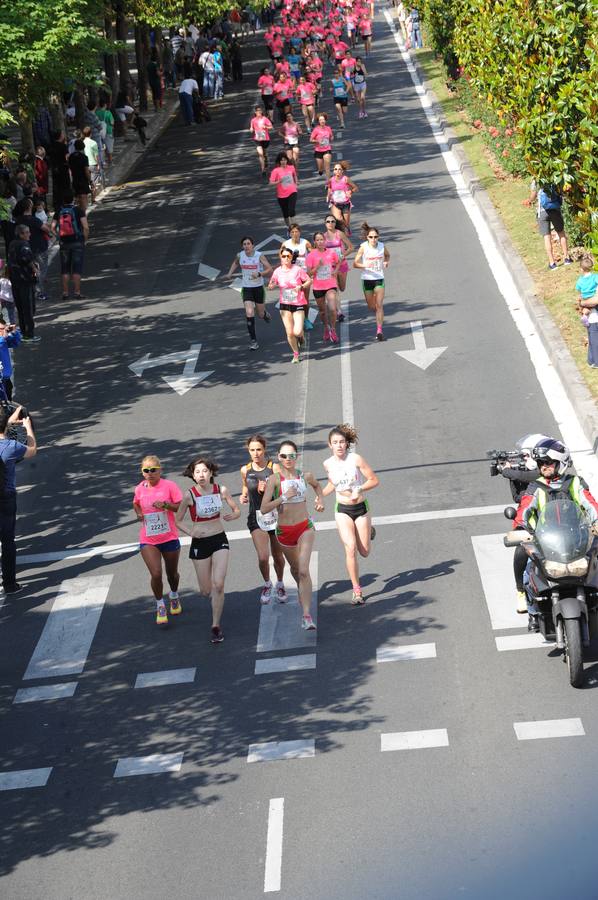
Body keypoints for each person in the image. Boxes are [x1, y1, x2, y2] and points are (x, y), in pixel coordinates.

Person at [514, 438, 598, 628]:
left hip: (577, 538)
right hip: (545, 540)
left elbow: (590, 504)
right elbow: (524, 508)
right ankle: (528, 602)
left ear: (561, 463)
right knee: (523, 557)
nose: (544, 466)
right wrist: (520, 527)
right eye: (541, 463)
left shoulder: (574, 482)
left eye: (549, 462)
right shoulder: (535, 487)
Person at [260, 440, 324, 630]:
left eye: (292, 455)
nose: (288, 459)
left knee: (303, 570)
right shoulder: (274, 480)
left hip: (305, 527)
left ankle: (306, 616)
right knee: (296, 570)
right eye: (284, 456)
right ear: (278, 457)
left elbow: (317, 486)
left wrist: (320, 499)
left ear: (297, 457)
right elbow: (264, 508)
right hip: (284, 531)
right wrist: (283, 497)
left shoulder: (305, 476)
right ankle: (303, 589)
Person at [175, 456, 240, 643]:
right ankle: (215, 598)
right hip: (200, 543)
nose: (201, 475)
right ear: (193, 476)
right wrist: (191, 532)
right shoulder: (189, 495)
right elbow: (178, 520)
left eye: (204, 471)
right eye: (197, 472)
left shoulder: (221, 490)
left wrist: (234, 514)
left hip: (219, 539)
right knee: (205, 590)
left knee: (218, 584)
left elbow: (236, 509)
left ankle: (215, 626)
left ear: (211, 473)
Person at [323, 424, 379, 604]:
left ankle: (368, 531)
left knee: (364, 551)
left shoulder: (356, 459)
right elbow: (332, 483)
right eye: (335, 442)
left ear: (347, 443)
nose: (339, 445)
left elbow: (374, 480)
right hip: (342, 509)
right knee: (350, 548)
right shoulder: (328, 464)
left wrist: (359, 489)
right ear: (330, 445)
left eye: (342, 442)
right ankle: (357, 590)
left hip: (360, 508)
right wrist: (320, 496)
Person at [133, 455, 182, 627]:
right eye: (146, 470)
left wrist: (166, 505)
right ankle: (160, 605)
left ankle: (174, 595)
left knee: (172, 574)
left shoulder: (170, 486)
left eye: (153, 470)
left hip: (169, 537)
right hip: (148, 539)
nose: (150, 473)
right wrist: (139, 513)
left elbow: (181, 507)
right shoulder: (140, 488)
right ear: (142, 472)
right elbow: (136, 503)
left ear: (160, 470)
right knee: (156, 573)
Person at [240, 434, 287, 604]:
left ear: (264, 449)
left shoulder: (274, 468)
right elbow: (245, 485)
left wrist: (269, 489)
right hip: (256, 517)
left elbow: (283, 491)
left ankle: (280, 583)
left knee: (278, 555)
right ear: (248, 451)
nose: (256, 453)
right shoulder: (245, 470)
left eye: (259, 449)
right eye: (252, 450)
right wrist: (244, 496)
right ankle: (267, 584)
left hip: (275, 516)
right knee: (263, 557)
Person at [0, 405, 36, 594]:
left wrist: (9, 420)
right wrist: (28, 427)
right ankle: (10, 584)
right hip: (6, 497)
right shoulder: (12, 447)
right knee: (7, 540)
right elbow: (32, 450)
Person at [225, 236, 273, 350]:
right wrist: (230, 273)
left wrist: (260, 274)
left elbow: (269, 269)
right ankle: (253, 341)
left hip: (258, 288)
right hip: (246, 288)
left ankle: (264, 314)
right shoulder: (240, 255)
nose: (246, 246)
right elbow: (235, 263)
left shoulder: (259, 255)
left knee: (260, 314)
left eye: (248, 244)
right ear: (242, 246)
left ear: (253, 245)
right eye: (244, 244)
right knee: (249, 312)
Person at [268, 246, 312, 363]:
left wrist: (301, 286)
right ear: (281, 257)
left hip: (298, 303)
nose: (286, 258)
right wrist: (271, 285)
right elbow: (271, 284)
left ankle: (301, 337)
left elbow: (309, 281)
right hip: (284, 305)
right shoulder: (277, 271)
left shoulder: (297, 270)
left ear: (292, 257)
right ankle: (296, 354)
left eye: (288, 256)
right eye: (284, 256)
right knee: (290, 333)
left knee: (297, 331)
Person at [354, 223, 390, 341]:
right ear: (367, 237)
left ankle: (379, 331)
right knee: (371, 306)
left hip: (379, 278)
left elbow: (387, 255)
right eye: (371, 237)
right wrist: (365, 265)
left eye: (375, 237)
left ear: (378, 237)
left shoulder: (382, 246)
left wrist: (386, 262)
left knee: (379, 305)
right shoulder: (363, 247)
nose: (373, 239)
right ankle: (378, 312)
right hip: (367, 279)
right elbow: (355, 263)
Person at [52, 189, 89, 301]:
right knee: (77, 269)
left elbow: (52, 227)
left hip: (64, 243)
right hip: (77, 242)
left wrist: (59, 237)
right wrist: (84, 240)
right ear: (73, 198)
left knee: (65, 269)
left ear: (63, 200)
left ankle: (65, 293)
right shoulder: (78, 210)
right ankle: (77, 292)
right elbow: (86, 227)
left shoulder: (59, 211)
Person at [306, 231, 341, 342]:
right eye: (317, 240)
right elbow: (309, 273)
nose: (320, 242)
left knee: (332, 308)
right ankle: (326, 328)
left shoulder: (331, 252)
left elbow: (338, 262)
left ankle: (333, 330)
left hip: (330, 285)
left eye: (322, 239)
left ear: (325, 241)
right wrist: (318, 266)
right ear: (314, 242)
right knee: (322, 311)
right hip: (318, 287)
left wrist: (335, 270)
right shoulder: (311, 255)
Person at [528, 182, 572, 270]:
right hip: (555, 209)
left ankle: (552, 263)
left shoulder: (536, 180)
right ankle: (567, 258)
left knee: (547, 237)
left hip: (542, 212)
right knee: (561, 233)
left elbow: (533, 195)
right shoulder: (553, 177)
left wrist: (530, 200)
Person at [7, 224, 39, 343]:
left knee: (20, 307)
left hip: (15, 279)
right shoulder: (24, 244)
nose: (29, 234)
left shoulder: (12, 243)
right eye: (27, 232)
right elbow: (27, 259)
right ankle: (29, 334)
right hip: (25, 279)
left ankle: (24, 332)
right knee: (28, 307)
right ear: (21, 234)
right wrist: (35, 269)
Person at [575, 255, 598, 367]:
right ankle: (596, 361)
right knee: (594, 336)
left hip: (585, 299)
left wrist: (581, 302)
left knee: (591, 334)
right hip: (593, 303)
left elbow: (578, 292)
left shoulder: (580, 280)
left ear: (581, 269)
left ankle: (591, 360)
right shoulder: (595, 277)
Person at [269, 152, 299, 231]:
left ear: (287, 160)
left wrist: (296, 182)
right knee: (285, 213)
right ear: (279, 161)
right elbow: (271, 183)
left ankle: (295, 229)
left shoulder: (291, 167)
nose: (283, 162)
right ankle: (289, 228)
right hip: (281, 195)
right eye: (281, 160)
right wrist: (278, 181)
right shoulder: (276, 171)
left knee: (291, 210)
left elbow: (295, 175)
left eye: (285, 160)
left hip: (292, 191)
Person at [327, 160, 358, 234]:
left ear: (342, 171)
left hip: (345, 204)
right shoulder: (331, 180)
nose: (337, 171)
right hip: (335, 203)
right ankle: (341, 234)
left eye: (339, 169)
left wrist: (351, 191)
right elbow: (329, 188)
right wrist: (328, 195)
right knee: (339, 219)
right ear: (333, 171)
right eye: (335, 169)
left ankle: (346, 228)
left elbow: (356, 188)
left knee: (346, 223)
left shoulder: (346, 179)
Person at [68, 139, 92, 210]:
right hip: (83, 180)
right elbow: (86, 171)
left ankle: (79, 214)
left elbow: (69, 169)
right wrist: (90, 180)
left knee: (77, 199)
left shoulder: (71, 157)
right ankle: (83, 214)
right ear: (83, 147)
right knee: (83, 198)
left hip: (75, 179)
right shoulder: (84, 157)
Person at [250, 105, 273, 177]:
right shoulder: (253, 120)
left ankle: (266, 165)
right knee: (260, 154)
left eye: (260, 110)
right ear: (255, 112)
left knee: (265, 154)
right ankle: (263, 169)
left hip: (265, 138)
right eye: (258, 110)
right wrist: (251, 129)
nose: (259, 112)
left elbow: (271, 127)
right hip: (257, 139)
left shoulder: (265, 119)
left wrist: (266, 127)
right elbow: (251, 128)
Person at [0, 320, 21, 399]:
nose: (3, 331)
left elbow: (16, 343)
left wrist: (14, 332)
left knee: (8, 401)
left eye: (4, 329)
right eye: (1, 329)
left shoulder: (3, 340)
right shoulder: (2, 340)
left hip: (5, 379)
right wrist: (3, 338)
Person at [310, 112, 333, 179]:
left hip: (327, 149)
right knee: (320, 168)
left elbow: (331, 136)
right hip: (318, 150)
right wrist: (317, 141)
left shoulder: (328, 128)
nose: (322, 121)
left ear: (325, 120)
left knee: (327, 167)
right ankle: (320, 170)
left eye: (323, 119)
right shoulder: (316, 129)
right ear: (318, 121)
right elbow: (311, 140)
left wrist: (331, 139)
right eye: (320, 120)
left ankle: (328, 182)